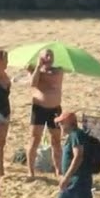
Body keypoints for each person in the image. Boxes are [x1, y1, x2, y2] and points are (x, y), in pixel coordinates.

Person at [27, 49, 65, 178]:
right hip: (39, 108)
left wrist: (43, 71)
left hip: (54, 109)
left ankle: (58, 169)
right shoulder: (35, 72)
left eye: (51, 55)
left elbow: (54, 78)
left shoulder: (57, 71)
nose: (49, 58)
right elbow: (32, 83)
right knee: (34, 139)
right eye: (46, 55)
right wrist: (38, 67)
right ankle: (30, 170)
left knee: (56, 140)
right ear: (40, 58)